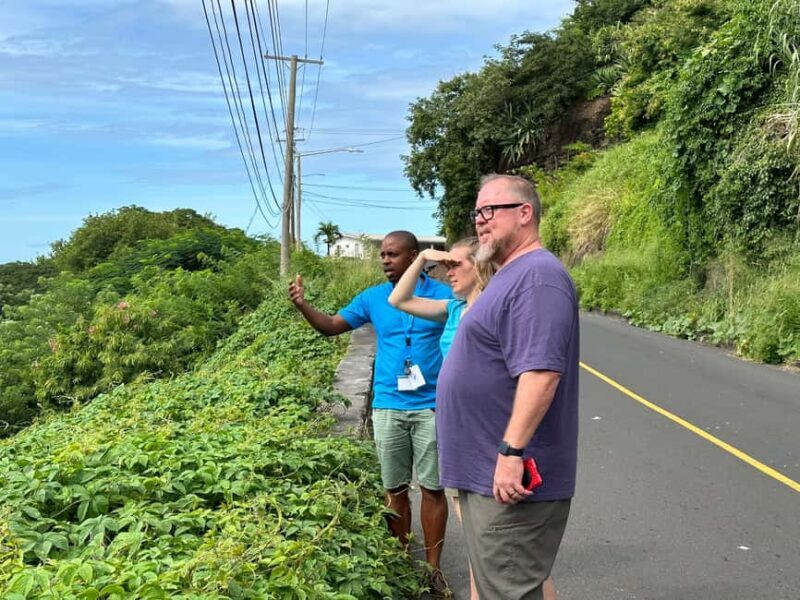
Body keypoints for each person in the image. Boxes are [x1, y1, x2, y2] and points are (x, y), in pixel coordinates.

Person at [436, 174, 579, 600]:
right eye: (477, 212)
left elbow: (541, 373)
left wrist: (511, 453)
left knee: (508, 590)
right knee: (502, 588)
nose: (480, 221)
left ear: (524, 214)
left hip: (509, 478)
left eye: (490, 211)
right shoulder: (508, 276)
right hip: (488, 474)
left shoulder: (537, 277)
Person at [288, 230, 453, 594]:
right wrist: (303, 305)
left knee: (433, 488)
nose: (384, 260)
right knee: (394, 489)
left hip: (433, 406)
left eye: (393, 255)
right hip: (389, 405)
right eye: (382, 254)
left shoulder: (444, 296)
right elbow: (332, 326)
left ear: (413, 257)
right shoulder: (374, 298)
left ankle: (433, 569)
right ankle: (400, 563)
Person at [388, 237, 494, 600]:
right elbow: (398, 299)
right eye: (445, 267)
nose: (448, 273)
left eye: (456, 265)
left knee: (487, 526)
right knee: (472, 520)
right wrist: (421, 260)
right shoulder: (452, 308)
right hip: (453, 426)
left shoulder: (492, 309)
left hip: (481, 429)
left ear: (481, 266)